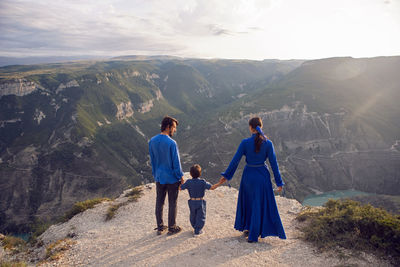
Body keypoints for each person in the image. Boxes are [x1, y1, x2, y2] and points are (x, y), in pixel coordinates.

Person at [214, 117, 286, 243]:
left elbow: (235, 161)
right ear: (260, 127)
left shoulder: (245, 143)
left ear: (250, 128)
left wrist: (226, 176)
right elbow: (274, 164)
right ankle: (256, 231)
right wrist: (279, 182)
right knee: (259, 203)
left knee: (249, 202)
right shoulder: (268, 144)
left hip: (248, 176)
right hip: (262, 177)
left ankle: (248, 228)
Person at [149, 116, 184, 235]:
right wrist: (181, 177)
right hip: (172, 178)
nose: (175, 130)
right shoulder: (171, 143)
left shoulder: (152, 141)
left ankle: (160, 227)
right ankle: (172, 227)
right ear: (168, 127)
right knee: (172, 202)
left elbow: (152, 161)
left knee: (159, 201)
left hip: (159, 176)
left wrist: (155, 175)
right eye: (174, 127)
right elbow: (176, 163)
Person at [180, 164, 217, 236]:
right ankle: (197, 231)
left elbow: (180, 188)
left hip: (192, 201)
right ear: (200, 174)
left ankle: (194, 227)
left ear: (190, 174)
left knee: (193, 215)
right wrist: (220, 183)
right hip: (200, 201)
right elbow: (212, 187)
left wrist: (181, 181)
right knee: (200, 216)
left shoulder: (188, 182)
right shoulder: (202, 182)